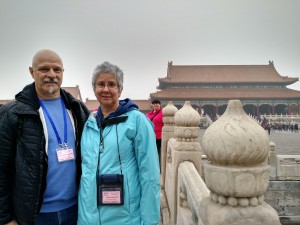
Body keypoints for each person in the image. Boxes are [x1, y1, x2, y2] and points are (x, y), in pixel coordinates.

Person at [0, 49, 90, 225]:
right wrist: (6, 218)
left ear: (63, 72)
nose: (51, 74)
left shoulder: (77, 110)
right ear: (31, 72)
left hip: (75, 210)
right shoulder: (12, 114)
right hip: (33, 215)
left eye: (57, 70)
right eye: (44, 69)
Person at [78, 62, 160, 225]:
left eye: (112, 84)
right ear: (94, 88)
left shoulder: (137, 122)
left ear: (120, 89)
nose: (106, 89)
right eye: (101, 84)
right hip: (88, 217)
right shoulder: (89, 123)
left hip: (125, 218)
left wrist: (150, 220)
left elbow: (149, 175)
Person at [146, 99, 164, 167]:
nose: (155, 105)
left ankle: (157, 167)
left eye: (157, 103)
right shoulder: (148, 114)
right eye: (154, 104)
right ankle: (151, 166)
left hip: (159, 137)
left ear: (160, 105)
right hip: (150, 136)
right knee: (150, 152)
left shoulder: (163, 113)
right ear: (152, 105)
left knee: (156, 153)